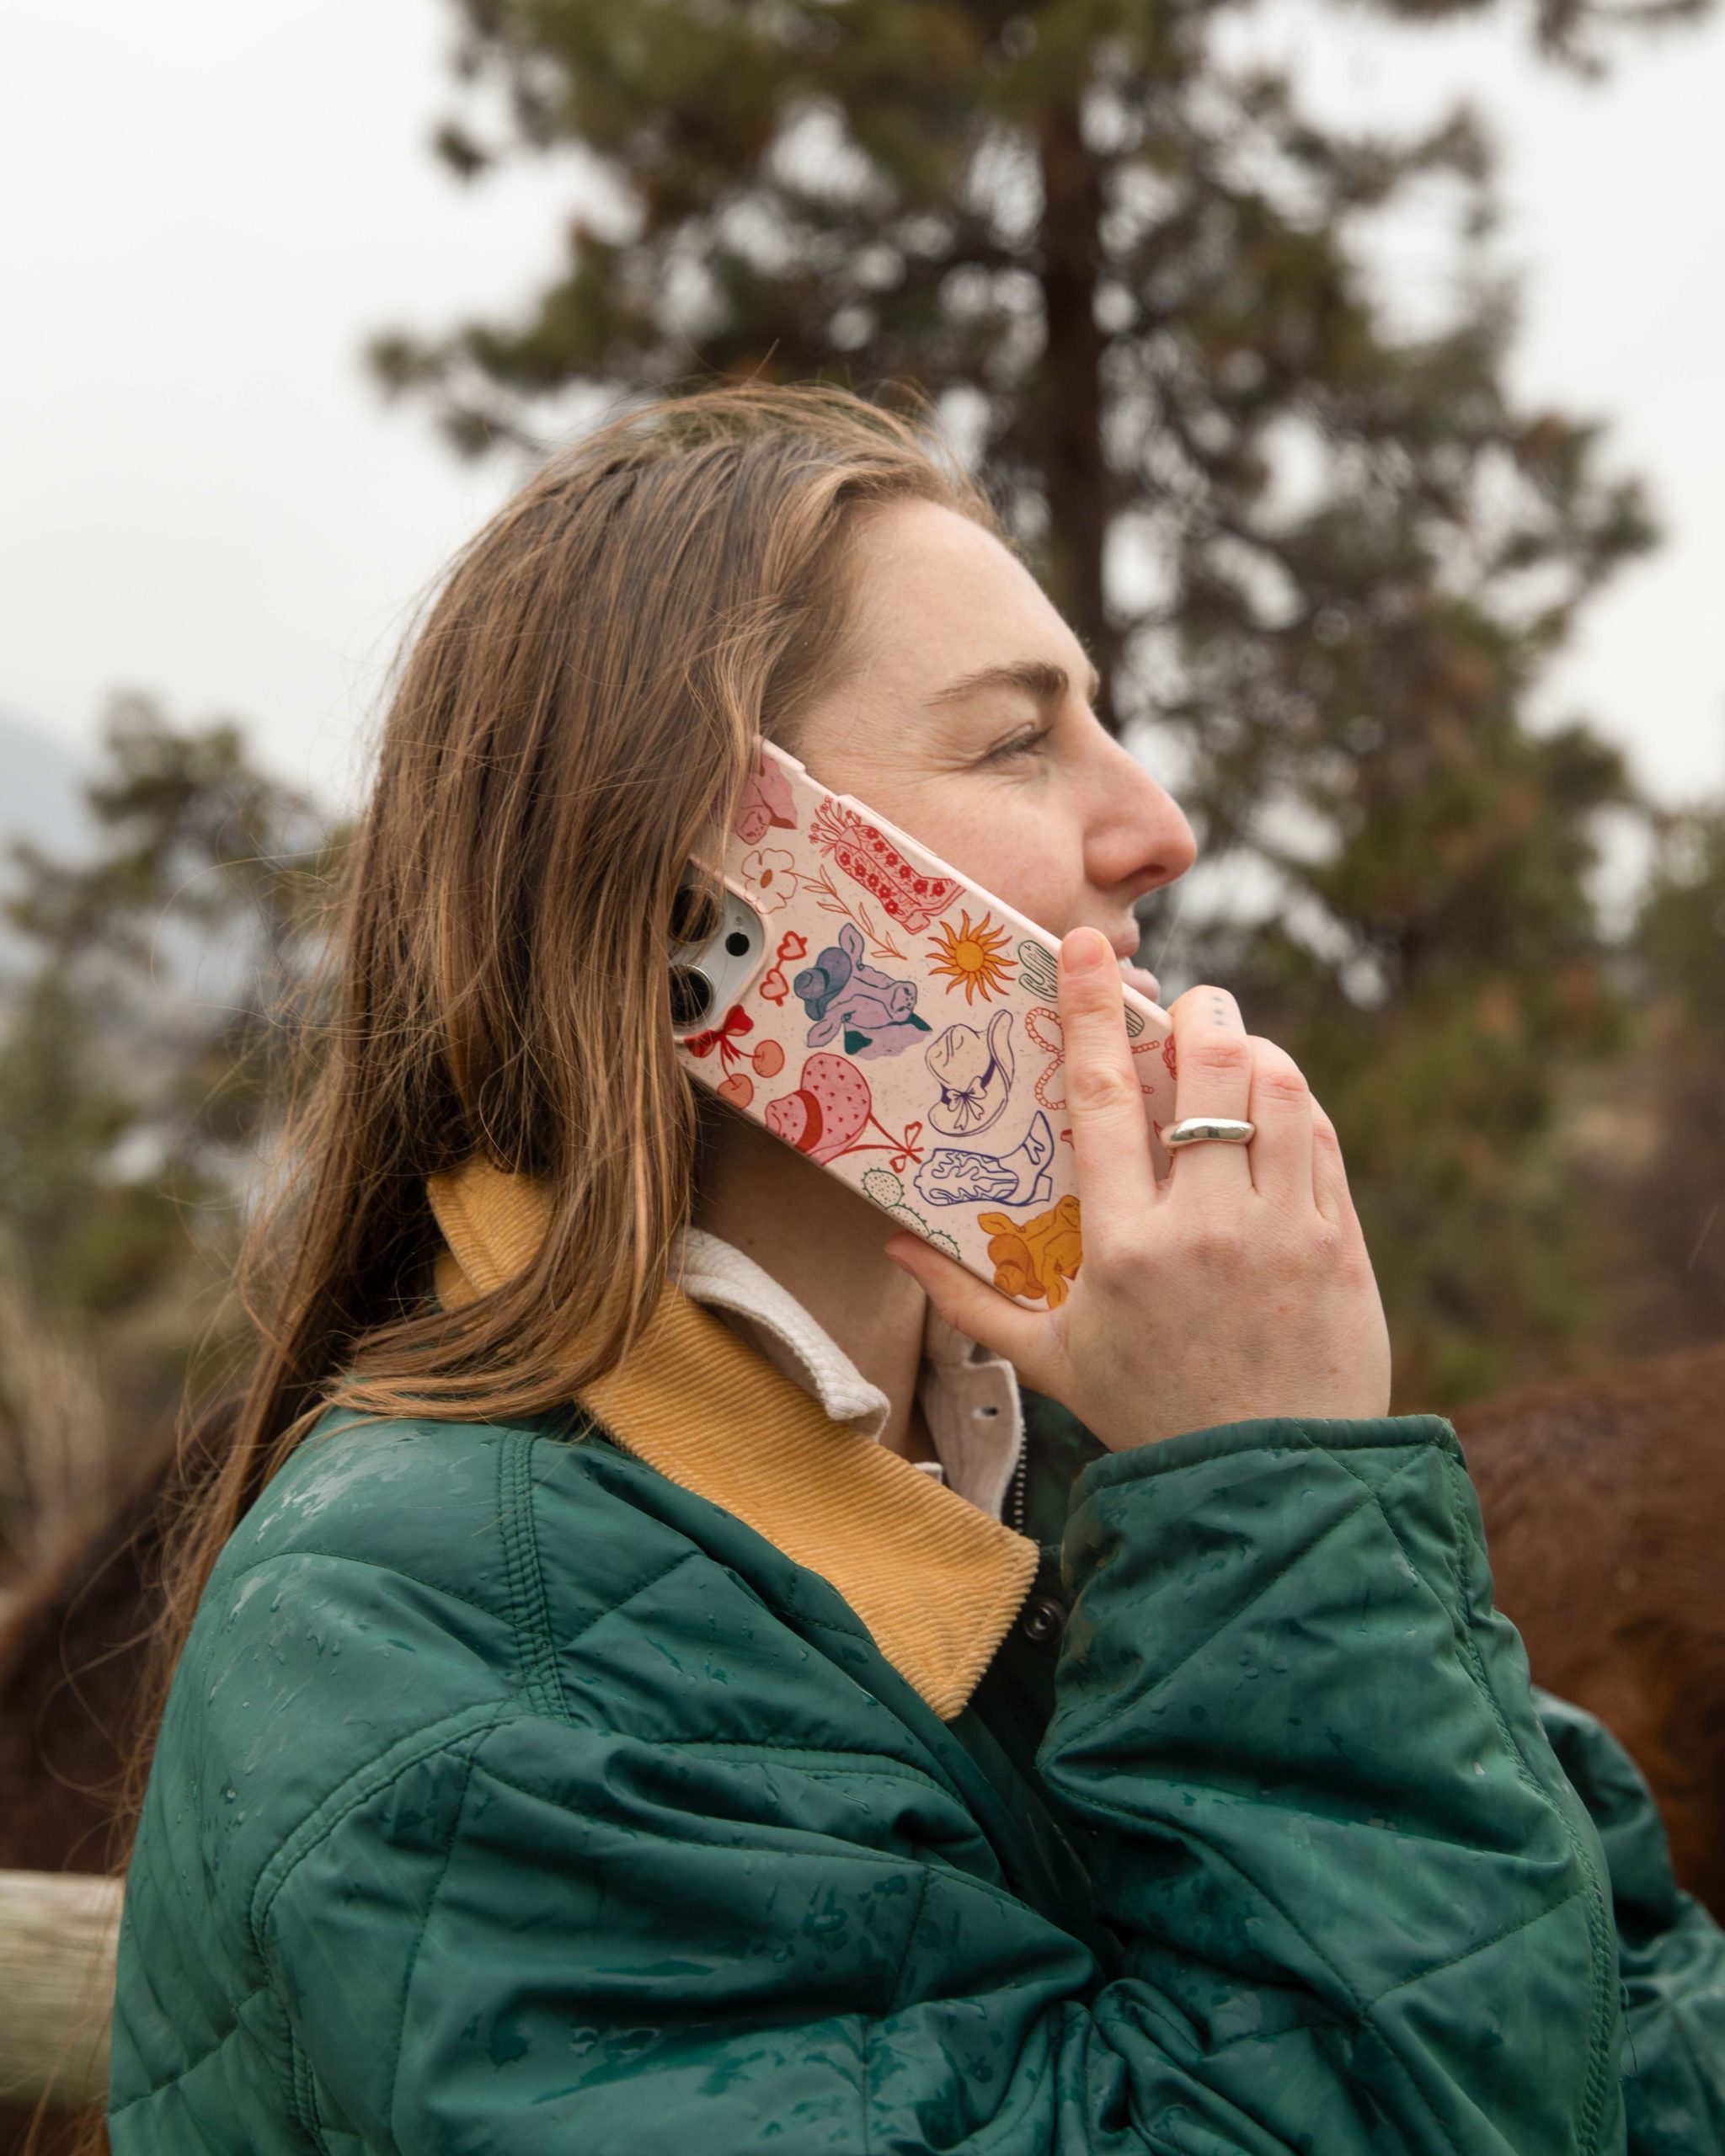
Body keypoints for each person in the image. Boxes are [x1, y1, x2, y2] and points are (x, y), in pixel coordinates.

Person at [102, 386, 1724, 2153]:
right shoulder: (440, 1655)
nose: (1158, 824)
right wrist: (1280, 1504)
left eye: (1104, 723)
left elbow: (1617, 2018)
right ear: (712, 891)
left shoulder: (1073, 1453)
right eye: (1019, 741)